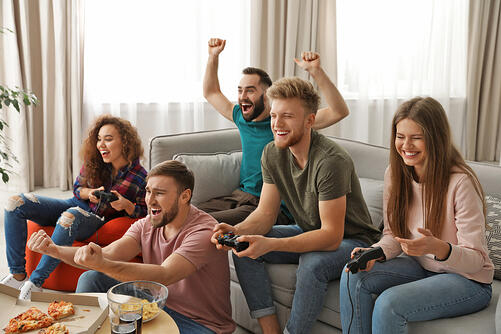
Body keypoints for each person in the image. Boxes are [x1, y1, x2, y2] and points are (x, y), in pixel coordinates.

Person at [211, 77, 381, 334]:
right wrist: (238, 230)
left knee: (313, 263)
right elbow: (266, 213)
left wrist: (272, 244)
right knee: (245, 245)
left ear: (310, 120)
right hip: (310, 230)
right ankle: (271, 331)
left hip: (353, 239)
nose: (277, 124)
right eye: (274, 115)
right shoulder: (272, 153)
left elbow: (331, 237)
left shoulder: (331, 161)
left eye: (287, 116)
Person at [339, 97, 494, 334]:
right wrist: (375, 253)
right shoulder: (395, 173)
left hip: (468, 281)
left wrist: (439, 247)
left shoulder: (460, 182)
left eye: (416, 137)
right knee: (352, 274)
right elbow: (393, 234)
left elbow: (476, 259)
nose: (406, 145)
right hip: (422, 267)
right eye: (400, 136)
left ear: (435, 138)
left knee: (388, 304)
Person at [28, 160, 235, 334]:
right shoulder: (149, 222)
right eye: (148, 191)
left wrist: (102, 263)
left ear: (185, 196)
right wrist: (53, 250)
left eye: (160, 193)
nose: (150, 200)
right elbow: (107, 254)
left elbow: (164, 274)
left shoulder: (204, 231)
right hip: (158, 305)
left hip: (201, 325)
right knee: (91, 278)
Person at [198, 37, 350, 225]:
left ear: (267, 95)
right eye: (240, 91)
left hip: (271, 207)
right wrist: (213, 57)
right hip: (240, 197)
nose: (242, 97)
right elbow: (211, 92)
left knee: (202, 223)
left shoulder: (287, 124)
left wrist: (316, 72)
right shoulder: (241, 117)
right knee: (187, 215)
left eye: (250, 91)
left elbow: (339, 111)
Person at [1, 115, 147, 300]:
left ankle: (36, 282)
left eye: (108, 139)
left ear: (125, 143)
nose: (101, 145)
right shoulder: (94, 161)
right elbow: (78, 189)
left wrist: (126, 205)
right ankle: (18, 276)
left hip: (96, 219)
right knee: (15, 202)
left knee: (70, 216)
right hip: (75, 204)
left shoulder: (140, 176)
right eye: (99, 139)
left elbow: (144, 211)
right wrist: (89, 193)